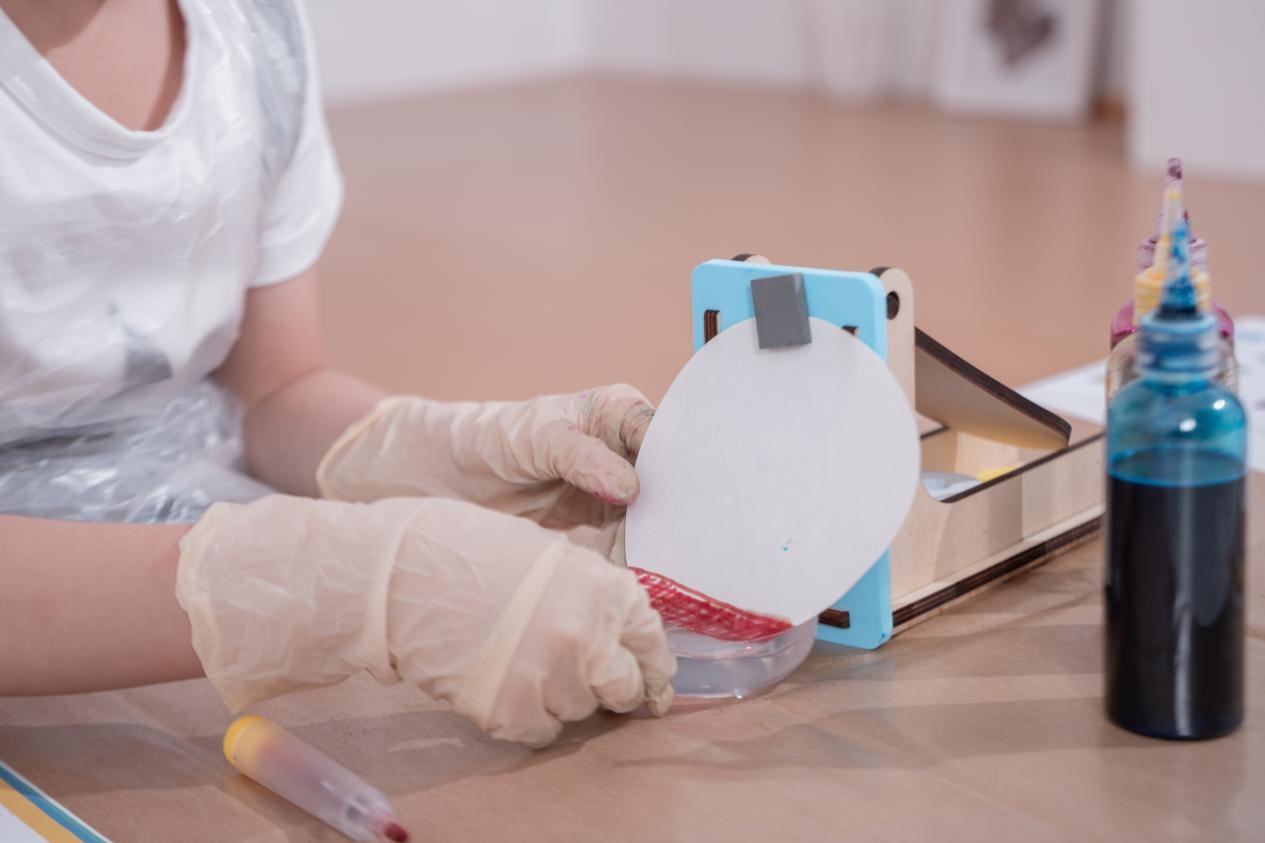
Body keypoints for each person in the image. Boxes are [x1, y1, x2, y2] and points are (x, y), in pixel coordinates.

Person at [0, 0, 675, 748]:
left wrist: (447, 450)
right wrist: (348, 585)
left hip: (170, 622)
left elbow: (273, 389)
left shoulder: (253, 28)